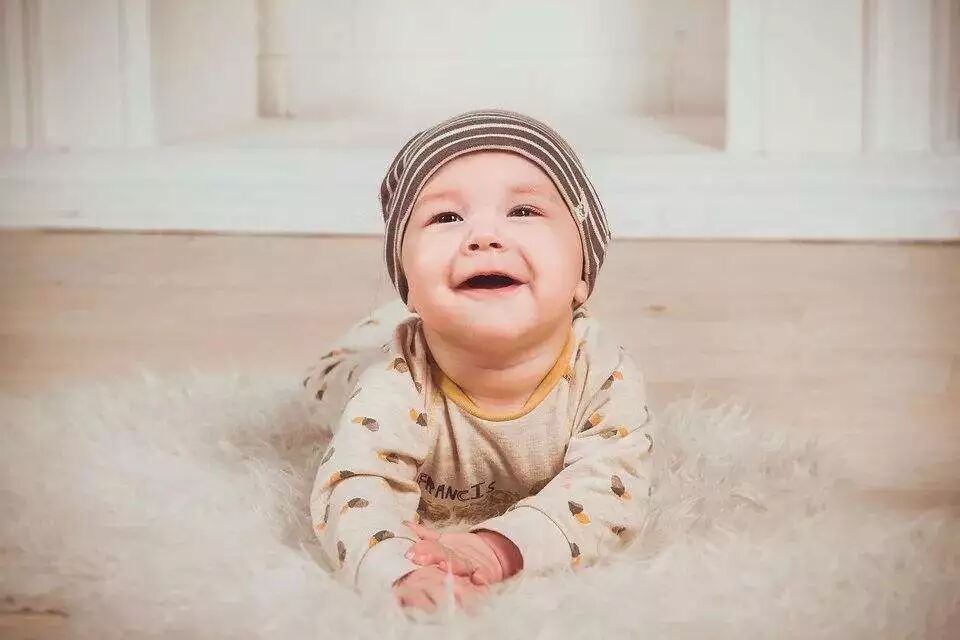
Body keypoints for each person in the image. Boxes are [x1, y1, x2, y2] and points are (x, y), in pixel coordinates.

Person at [303, 108, 656, 613]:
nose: (484, 236)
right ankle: (385, 323)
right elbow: (356, 485)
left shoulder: (603, 373)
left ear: (583, 275)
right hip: (354, 370)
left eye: (524, 211)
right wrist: (397, 570)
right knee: (333, 380)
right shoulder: (395, 379)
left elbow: (611, 491)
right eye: (446, 218)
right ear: (409, 286)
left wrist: (494, 548)